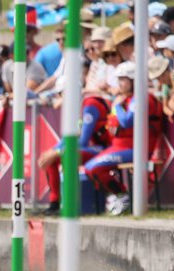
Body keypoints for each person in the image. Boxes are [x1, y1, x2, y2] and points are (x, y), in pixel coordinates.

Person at [84, 62, 163, 215]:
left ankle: (122, 195)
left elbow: (127, 121)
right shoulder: (125, 98)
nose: (119, 83)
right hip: (118, 146)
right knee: (88, 167)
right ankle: (118, 195)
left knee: (93, 168)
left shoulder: (140, 98)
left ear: (133, 80)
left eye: (123, 79)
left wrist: (118, 106)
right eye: (118, 79)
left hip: (134, 148)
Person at [38, 62, 111, 215]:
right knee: (50, 158)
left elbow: (83, 141)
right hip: (89, 149)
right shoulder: (74, 109)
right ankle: (54, 203)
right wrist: (52, 152)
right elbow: (68, 139)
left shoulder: (89, 105)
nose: (59, 98)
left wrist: (57, 152)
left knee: (65, 155)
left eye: (61, 94)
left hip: (104, 149)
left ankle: (70, 203)